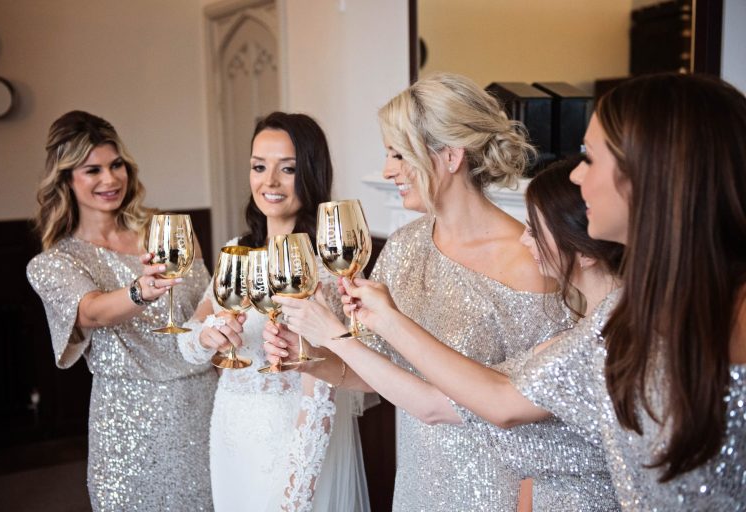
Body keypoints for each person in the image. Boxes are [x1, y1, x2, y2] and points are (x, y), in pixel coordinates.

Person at [337, 73, 746, 509]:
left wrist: (372, 325)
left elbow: (484, 405)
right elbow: (491, 399)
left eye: (591, 158)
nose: (577, 176)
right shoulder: (620, 318)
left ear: (656, 175)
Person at [264, 73, 571, 511]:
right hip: (416, 484)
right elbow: (378, 374)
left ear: (450, 156)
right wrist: (310, 358)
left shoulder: (530, 260)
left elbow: (545, 421)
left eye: (399, 154)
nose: (388, 170)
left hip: (495, 492)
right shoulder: (404, 247)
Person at [176, 112, 371, 512]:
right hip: (231, 435)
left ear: (311, 173)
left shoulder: (325, 266)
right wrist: (207, 336)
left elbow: (322, 392)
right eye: (259, 167)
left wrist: (296, 492)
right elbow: (189, 343)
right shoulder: (237, 249)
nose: (270, 182)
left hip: (291, 443)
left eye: (288, 169)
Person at [26, 111, 215, 510]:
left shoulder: (168, 232)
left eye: (116, 165)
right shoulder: (55, 263)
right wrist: (140, 290)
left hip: (202, 402)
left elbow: (207, 304)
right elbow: (92, 311)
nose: (110, 179)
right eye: (92, 170)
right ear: (66, 179)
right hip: (128, 421)